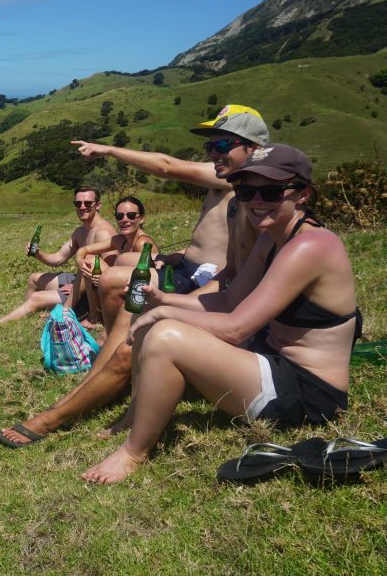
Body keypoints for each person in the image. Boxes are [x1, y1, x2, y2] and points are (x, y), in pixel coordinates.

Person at [82, 144, 360, 484]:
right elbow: (229, 300)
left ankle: (132, 452)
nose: (256, 202)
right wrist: (161, 299)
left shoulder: (310, 246)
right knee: (155, 319)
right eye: (245, 191)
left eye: (271, 191)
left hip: (307, 393)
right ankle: (136, 411)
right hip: (272, 358)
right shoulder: (272, 238)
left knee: (165, 335)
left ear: (303, 194)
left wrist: (162, 315)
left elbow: (235, 327)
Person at [0, 105, 268, 447]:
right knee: (113, 286)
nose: (212, 153)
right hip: (185, 269)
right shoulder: (228, 178)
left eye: (221, 145)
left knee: (131, 339)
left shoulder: (256, 199)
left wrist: (108, 150)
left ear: (253, 148)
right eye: (209, 146)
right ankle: (106, 371)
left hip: (206, 283)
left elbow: (167, 168)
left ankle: (59, 413)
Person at [0, 186, 116, 340]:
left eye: (88, 203)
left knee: (36, 298)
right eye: (78, 204)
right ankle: (24, 317)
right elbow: (58, 259)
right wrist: (38, 254)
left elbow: (110, 275)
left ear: (98, 205)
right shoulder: (81, 232)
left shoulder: (103, 233)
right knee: (34, 279)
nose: (82, 207)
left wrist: (78, 288)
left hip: (91, 295)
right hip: (79, 281)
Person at [68, 196, 158, 334]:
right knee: (90, 260)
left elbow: (147, 279)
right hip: (125, 288)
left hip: (140, 297)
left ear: (142, 218)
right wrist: (79, 259)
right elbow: (85, 250)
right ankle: (95, 316)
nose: (125, 220)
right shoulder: (120, 240)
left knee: (93, 263)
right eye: (119, 216)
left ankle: (97, 318)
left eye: (131, 215)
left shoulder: (142, 244)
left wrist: (107, 279)